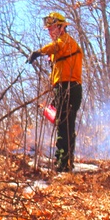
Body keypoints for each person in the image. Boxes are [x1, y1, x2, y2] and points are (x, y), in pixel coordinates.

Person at [28, 12, 83, 172]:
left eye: (52, 28)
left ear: (61, 27)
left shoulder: (64, 41)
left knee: (64, 125)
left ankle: (63, 163)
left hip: (69, 87)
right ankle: (65, 161)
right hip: (63, 87)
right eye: (48, 29)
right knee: (64, 123)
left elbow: (55, 46)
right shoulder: (62, 45)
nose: (49, 32)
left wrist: (38, 52)